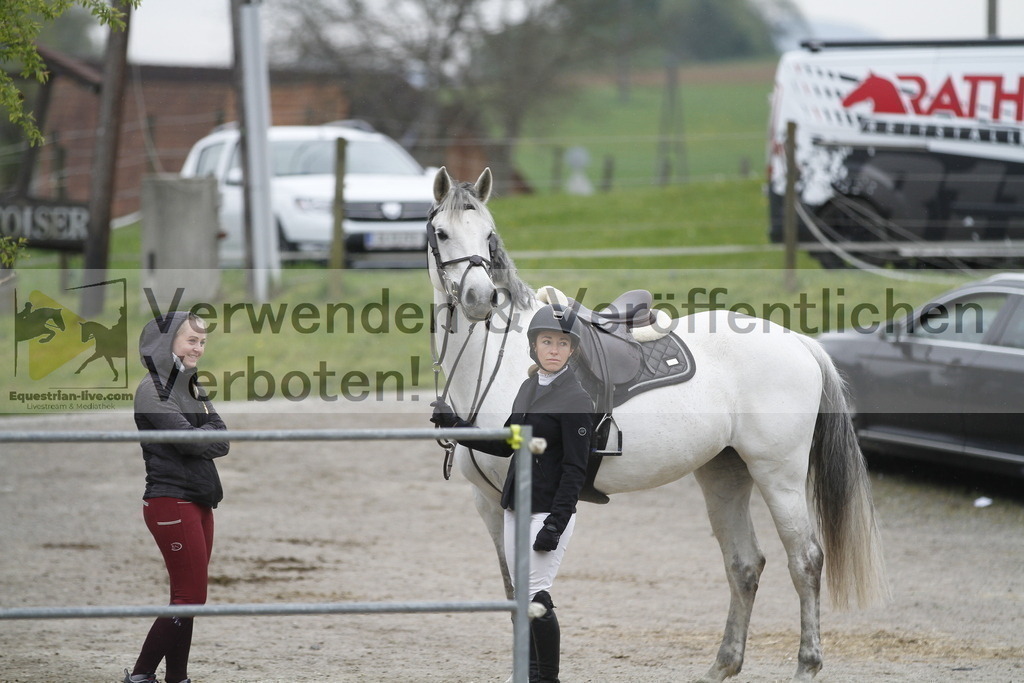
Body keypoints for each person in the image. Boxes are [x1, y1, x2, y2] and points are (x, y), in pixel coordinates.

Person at [431, 304, 594, 683]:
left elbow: (576, 470)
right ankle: (530, 672)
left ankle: (546, 678)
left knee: (536, 596)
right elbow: (508, 444)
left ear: (572, 350)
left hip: (547, 511)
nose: (554, 349)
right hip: (515, 506)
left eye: (562, 344)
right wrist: (456, 425)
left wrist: (555, 524)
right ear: (534, 346)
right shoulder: (528, 388)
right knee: (522, 595)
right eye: (547, 342)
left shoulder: (577, 401)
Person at [125, 312, 229, 683]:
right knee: (189, 598)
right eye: (191, 340)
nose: (198, 348)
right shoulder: (154, 390)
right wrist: (203, 437)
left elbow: (222, 438)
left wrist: (203, 438)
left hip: (199, 500)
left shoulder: (190, 384)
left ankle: (177, 678)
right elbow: (189, 441)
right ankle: (141, 676)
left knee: (188, 597)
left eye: (202, 342)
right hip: (171, 501)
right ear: (167, 342)